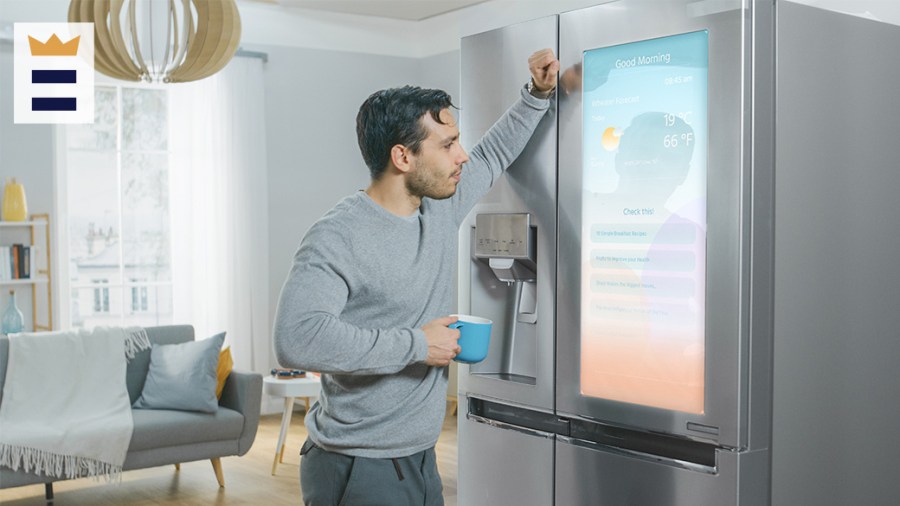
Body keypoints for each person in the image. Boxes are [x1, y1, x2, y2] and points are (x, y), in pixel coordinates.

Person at [273, 48, 559, 506]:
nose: (461, 155)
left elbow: (494, 152)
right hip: (355, 465)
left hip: (418, 459)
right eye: (447, 145)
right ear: (403, 157)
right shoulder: (337, 236)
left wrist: (538, 92)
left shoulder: (438, 208)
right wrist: (419, 345)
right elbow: (297, 339)